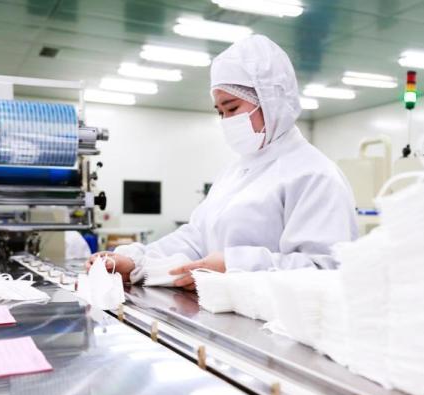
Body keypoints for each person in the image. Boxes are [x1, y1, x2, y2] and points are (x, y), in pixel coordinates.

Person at [86, 35, 358, 290]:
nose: (227, 121)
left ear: (271, 100)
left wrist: (235, 266)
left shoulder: (314, 175)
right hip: (223, 312)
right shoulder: (236, 173)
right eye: (220, 112)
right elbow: (195, 238)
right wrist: (136, 261)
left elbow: (327, 270)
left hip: (282, 321)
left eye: (232, 108)